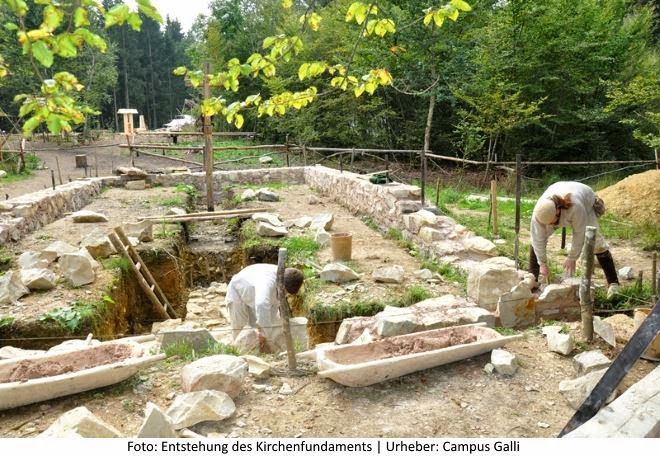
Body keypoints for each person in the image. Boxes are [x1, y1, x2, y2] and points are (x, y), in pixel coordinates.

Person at [529, 181, 620, 297]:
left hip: (585, 199)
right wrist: (542, 263)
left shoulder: (576, 206)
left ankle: (613, 283)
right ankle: (533, 279)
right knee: (535, 241)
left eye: (552, 222)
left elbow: (579, 233)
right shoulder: (539, 213)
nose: (551, 225)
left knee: (597, 243)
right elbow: (537, 239)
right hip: (557, 189)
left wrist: (572, 258)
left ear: (558, 210)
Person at [225, 264, 304, 351]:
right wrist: (264, 333)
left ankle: (259, 352)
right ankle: (237, 353)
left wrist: (264, 333)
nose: (285, 294)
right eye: (285, 291)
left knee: (262, 328)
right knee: (240, 331)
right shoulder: (266, 283)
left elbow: (269, 311)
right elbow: (261, 304)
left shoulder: (284, 278)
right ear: (281, 284)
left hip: (254, 293)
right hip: (237, 293)